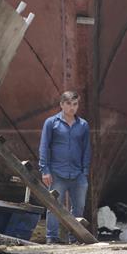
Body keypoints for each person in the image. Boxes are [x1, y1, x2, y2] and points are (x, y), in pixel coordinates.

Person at [38, 90, 91, 243]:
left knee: (79, 208)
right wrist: (45, 170)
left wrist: (84, 171)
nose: (72, 107)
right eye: (68, 104)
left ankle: (75, 239)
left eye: (75, 104)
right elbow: (44, 146)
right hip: (56, 172)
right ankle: (52, 238)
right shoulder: (51, 123)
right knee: (54, 206)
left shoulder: (83, 125)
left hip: (77, 173)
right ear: (61, 104)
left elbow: (87, 149)